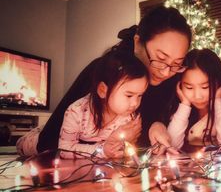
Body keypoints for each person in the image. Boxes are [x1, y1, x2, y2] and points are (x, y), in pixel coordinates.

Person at [19, 6, 191, 156]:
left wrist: (156, 124)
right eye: (160, 58)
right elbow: (50, 143)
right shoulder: (102, 72)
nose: (166, 71)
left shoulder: (171, 79)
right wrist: (108, 144)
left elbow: (145, 122)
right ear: (137, 42)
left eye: (176, 64)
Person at [18, 48, 148, 159]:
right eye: (129, 95)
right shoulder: (77, 111)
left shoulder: (129, 118)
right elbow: (64, 150)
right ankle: (37, 132)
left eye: (140, 95)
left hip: (83, 145)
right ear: (103, 90)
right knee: (25, 147)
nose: (135, 103)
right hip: (37, 141)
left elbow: (126, 148)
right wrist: (102, 150)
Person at [167, 49, 221, 152]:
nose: (198, 96)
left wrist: (218, 102)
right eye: (189, 88)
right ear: (179, 85)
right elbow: (171, 146)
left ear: (219, 83)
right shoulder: (177, 109)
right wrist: (184, 106)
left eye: (205, 87)